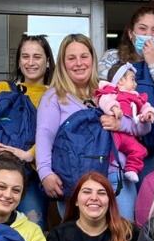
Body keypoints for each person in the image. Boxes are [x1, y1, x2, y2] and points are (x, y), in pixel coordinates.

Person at [36, 34, 143, 220]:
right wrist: (45, 173)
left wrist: (120, 124)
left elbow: (140, 126)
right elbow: (45, 136)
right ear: (62, 63)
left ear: (93, 59)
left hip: (115, 176)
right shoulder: (54, 97)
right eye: (71, 58)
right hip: (76, 181)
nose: (79, 63)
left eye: (84, 56)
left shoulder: (109, 91)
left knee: (125, 238)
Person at [0, 33, 54, 225]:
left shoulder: (54, 94)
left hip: (31, 177)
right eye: (25, 56)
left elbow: (54, 136)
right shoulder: (2, 88)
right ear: (18, 61)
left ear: (47, 62)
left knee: (32, 229)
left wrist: (28, 154)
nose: (30, 62)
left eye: (37, 56)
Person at [99, 3, 154, 125]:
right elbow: (100, 93)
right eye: (142, 29)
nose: (148, 35)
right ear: (131, 34)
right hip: (117, 130)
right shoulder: (112, 57)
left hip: (153, 136)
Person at [45, 169, 134, 241]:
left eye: (101, 193)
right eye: (87, 192)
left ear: (110, 201)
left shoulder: (128, 233)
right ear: (76, 201)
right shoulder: (58, 236)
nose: (94, 198)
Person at [93, 62, 154, 183]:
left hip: (128, 136)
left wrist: (148, 114)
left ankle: (131, 169)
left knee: (140, 150)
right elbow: (105, 101)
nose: (136, 84)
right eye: (132, 79)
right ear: (120, 80)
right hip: (114, 135)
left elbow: (146, 106)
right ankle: (105, 164)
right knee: (108, 148)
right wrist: (114, 108)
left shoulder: (137, 97)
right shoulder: (110, 92)